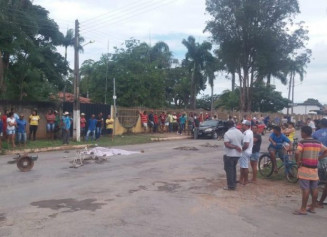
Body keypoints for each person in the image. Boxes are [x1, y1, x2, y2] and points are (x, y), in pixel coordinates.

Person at [293, 126, 327, 215]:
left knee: (305, 189)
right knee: (314, 188)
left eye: (301, 132)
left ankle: (303, 209)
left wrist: (298, 161)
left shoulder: (302, 142)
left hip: (304, 168)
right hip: (314, 168)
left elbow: (297, 152)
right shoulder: (318, 142)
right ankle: (312, 207)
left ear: (305, 133)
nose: (301, 134)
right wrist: (318, 158)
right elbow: (326, 151)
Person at [223, 120, 243, 190]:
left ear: (227, 126)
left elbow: (227, 144)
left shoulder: (227, 133)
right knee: (233, 169)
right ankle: (233, 182)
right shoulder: (239, 132)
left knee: (229, 170)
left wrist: (235, 147)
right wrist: (238, 147)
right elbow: (242, 142)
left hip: (229, 154)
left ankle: (231, 186)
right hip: (237, 155)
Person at [312, 118, 327, 208]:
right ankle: (321, 202)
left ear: (320, 124)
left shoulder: (316, 133)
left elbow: (312, 145)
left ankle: (314, 202)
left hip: (317, 157)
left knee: (315, 181)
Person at [239, 120, 253, 185]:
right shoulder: (249, 132)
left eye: (243, 125)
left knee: (244, 166)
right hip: (248, 151)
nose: (242, 126)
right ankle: (241, 179)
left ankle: (245, 180)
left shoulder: (247, 133)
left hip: (245, 151)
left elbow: (246, 144)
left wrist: (241, 149)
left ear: (247, 126)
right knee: (242, 166)